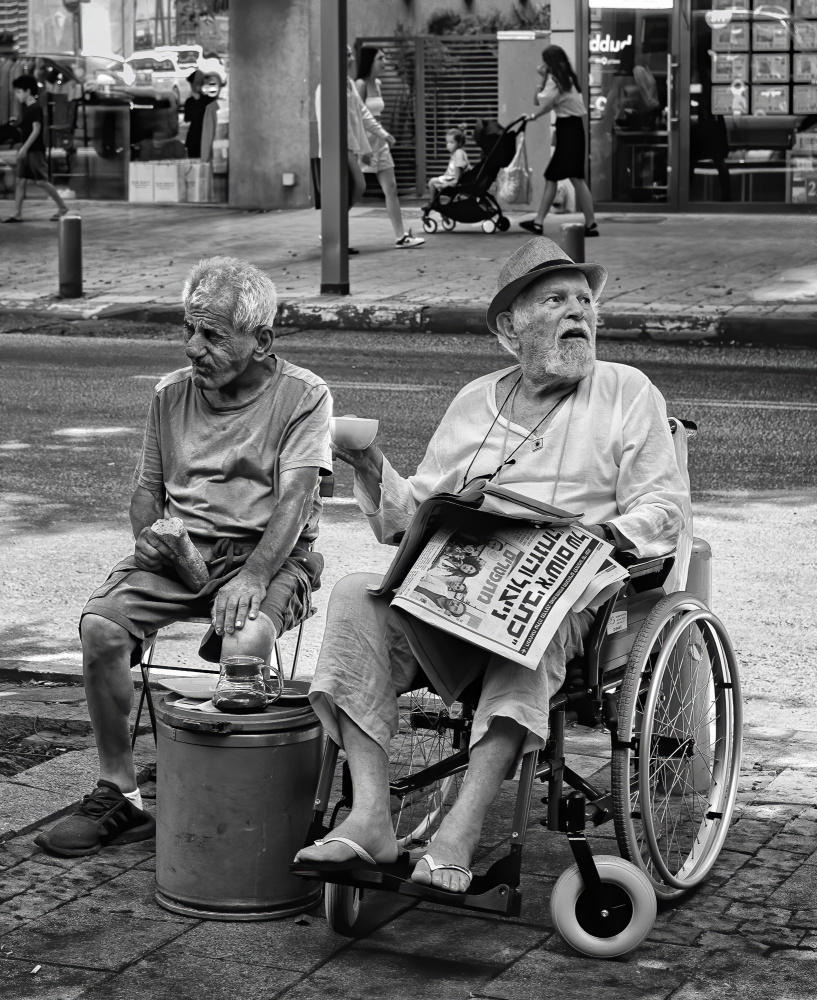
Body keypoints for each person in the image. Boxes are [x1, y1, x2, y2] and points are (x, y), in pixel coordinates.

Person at [295, 236, 691, 893]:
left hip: (563, 591)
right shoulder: (475, 401)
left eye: (585, 301)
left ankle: (460, 831)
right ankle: (369, 816)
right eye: (556, 300)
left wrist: (599, 533)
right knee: (355, 598)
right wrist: (368, 463)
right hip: (459, 585)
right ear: (510, 328)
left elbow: (664, 508)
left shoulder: (627, 392)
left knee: (525, 629)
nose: (579, 312)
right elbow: (406, 522)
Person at [35, 257, 333, 858]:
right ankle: (120, 792)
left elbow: (297, 500)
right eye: (189, 330)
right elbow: (147, 490)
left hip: (268, 554)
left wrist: (254, 576)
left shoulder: (304, 395)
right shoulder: (170, 394)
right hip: (183, 552)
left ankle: (233, 800)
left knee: (246, 644)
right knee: (101, 627)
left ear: (261, 341)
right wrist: (148, 534)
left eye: (213, 335)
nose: (194, 348)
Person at [519, 46, 598, 238]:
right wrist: (534, 117)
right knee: (572, 177)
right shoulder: (567, 79)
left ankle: (539, 222)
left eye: (545, 61)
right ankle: (589, 223)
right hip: (573, 129)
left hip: (568, 130)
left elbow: (540, 100)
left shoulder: (554, 81)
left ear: (550, 62)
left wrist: (541, 78)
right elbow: (552, 104)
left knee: (558, 176)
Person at [355, 46, 424, 249]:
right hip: (364, 144)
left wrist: (383, 136)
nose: (384, 62)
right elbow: (358, 117)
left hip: (380, 143)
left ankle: (401, 237)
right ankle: (330, 230)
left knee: (391, 187)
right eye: (380, 58)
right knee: (353, 190)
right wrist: (363, 148)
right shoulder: (360, 84)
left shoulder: (378, 83)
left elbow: (376, 115)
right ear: (370, 61)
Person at [2, 75, 69, 224]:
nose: (17, 95)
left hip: (34, 150)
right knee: (20, 181)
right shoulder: (27, 108)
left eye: (19, 92)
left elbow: (36, 130)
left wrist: (24, 148)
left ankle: (63, 207)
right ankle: (16, 214)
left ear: (27, 91)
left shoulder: (35, 108)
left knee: (41, 181)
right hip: (26, 149)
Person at [428, 125, 470, 200]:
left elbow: (459, 167)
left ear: (459, 143)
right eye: (447, 142)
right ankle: (434, 201)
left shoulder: (459, 152)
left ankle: (432, 202)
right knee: (433, 182)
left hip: (455, 180)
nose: (448, 145)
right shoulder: (456, 153)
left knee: (432, 182)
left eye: (452, 142)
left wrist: (454, 181)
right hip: (452, 178)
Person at [183, 69, 217, 160]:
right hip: (206, 137)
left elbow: (187, 118)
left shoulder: (190, 101)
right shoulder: (209, 100)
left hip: (194, 138)